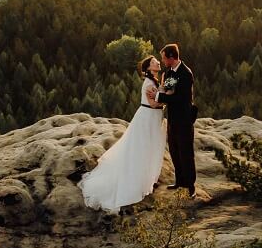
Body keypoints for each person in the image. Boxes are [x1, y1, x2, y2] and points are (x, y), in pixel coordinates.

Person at [79, 55, 168, 213]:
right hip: (147, 118)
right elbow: (154, 104)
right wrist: (170, 99)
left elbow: (158, 99)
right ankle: (133, 183)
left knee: (147, 149)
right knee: (141, 150)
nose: (158, 63)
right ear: (148, 67)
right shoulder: (148, 84)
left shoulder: (154, 80)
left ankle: (142, 180)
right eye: (155, 62)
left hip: (152, 118)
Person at [155, 43, 196, 196]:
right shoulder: (170, 72)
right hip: (172, 119)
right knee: (174, 151)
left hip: (184, 119)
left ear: (172, 57)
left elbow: (180, 98)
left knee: (186, 152)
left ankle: (191, 186)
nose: (163, 61)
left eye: (164, 58)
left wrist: (158, 96)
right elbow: (168, 91)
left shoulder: (186, 73)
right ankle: (180, 181)